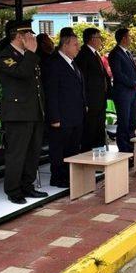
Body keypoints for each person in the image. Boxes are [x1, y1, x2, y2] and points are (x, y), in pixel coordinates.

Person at [0, 20, 48, 204]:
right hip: (17, 114)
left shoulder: (27, 56)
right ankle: (13, 190)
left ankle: (27, 185)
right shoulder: (5, 56)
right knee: (17, 154)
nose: (32, 38)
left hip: (34, 111)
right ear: (19, 36)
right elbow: (22, 74)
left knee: (33, 152)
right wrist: (32, 53)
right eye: (29, 35)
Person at [44, 30, 85, 188]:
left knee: (72, 147)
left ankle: (70, 176)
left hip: (75, 115)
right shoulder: (54, 63)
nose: (78, 48)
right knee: (59, 148)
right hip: (61, 116)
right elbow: (51, 93)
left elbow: (79, 87)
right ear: (65, 44)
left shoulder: (72, 62)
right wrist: (54, 118)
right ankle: (58, 178)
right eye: (75, 45)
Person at [75, 27, 110, 151]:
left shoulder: (95, 54)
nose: (101, 40)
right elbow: (82, 80)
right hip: (91, 101)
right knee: (90, 132)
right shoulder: (83, 54)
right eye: (98, 37)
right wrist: (86, 101)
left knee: (99, 131)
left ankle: (100, 159)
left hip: (100, 100)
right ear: (91, 39)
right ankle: (89, 161)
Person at [108, 28, 136, 153]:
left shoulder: (128, 53)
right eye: (129, 36)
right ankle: (124, 148)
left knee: (133, 120)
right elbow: (118, 74)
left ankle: (131, 145)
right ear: (123, 38)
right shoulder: (115, 53)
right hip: (123, 93)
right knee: (124, 122)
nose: (130, 39)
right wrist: (132, 83)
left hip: (132, 93)